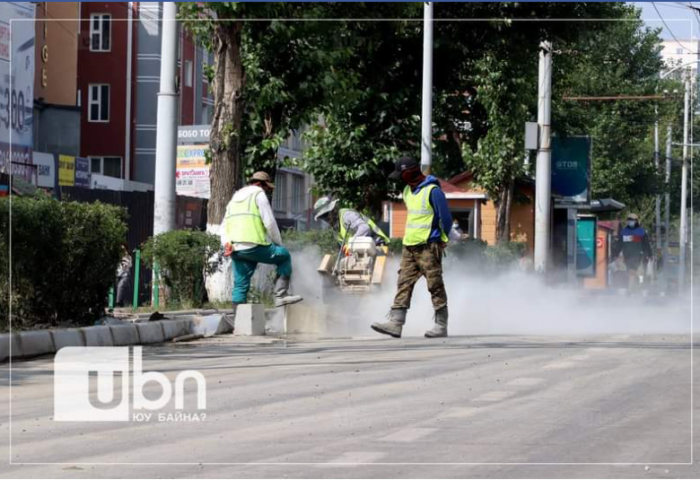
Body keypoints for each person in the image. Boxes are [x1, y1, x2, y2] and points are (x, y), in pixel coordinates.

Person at [371, 156, 453, 339]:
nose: (400, 178)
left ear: (410, 172)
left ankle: (441, 325)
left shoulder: (433, 191)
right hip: (409, 246)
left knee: (435, 284)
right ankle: (396, 323)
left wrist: (442, 238)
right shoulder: (408, 190)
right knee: (403, 283)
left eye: (402, 174)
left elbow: (446, 218)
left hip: (428, 246)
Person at [222, 171, 303, 331]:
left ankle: (239, 324)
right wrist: (279, 244)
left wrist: (226, 243)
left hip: (236, 247)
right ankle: (281, 295)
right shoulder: (258, 194)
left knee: (240, 284)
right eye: (267, 188)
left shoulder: (235, 198)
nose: (267, 191)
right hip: (255, 244)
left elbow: (224, 225)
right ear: (261, 184)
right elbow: (270, 222)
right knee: (284, 256)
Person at [313, 196, 390, 246]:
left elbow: (365, 228)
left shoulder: (346, 215)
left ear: (333, 210)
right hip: (363, 250)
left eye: (326, 215)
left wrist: (351, 243)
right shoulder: (335, 228)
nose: (326, 219)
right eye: (322, 217)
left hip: (378, 244)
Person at [611, 213, 652, 294]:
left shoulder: (641, 232)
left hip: (638, 257)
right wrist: (615, 254)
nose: (630, 222)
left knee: (636, 274)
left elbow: (646, 244)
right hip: (627, 257)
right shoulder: (624, 231)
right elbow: (620, 244)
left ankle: (633, 290)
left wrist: (649, 254)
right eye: (629, 220)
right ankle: (631, 290)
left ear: (636, 221)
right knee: (629, 274)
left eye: (632, 220)